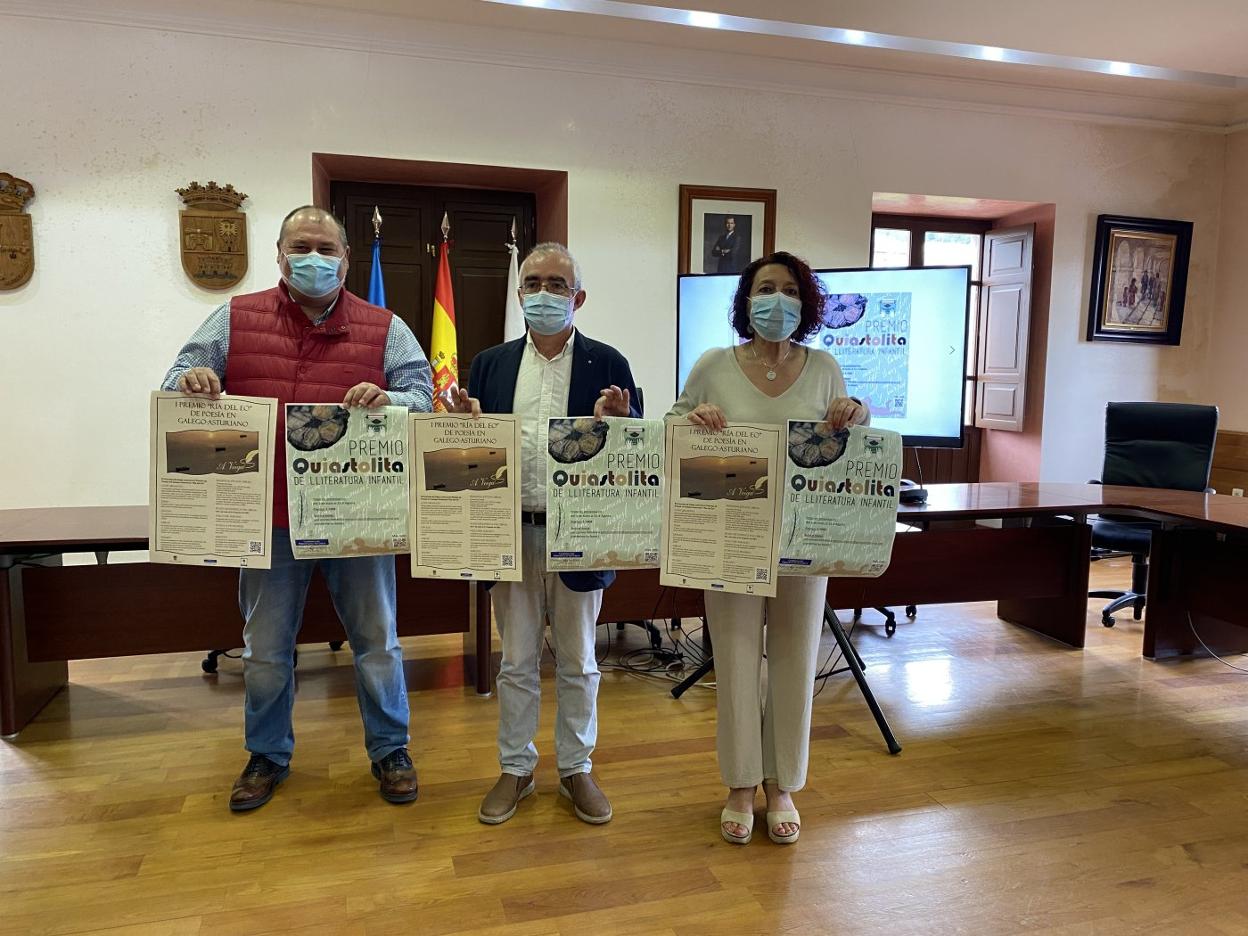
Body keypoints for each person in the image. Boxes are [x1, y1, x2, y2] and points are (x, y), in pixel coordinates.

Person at [161, 206, 433, 812]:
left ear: (345, 257)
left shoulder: (384, 326)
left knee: (378, 642)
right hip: (270, 517)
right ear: (280, 254)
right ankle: (267, 754)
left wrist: (388, 399)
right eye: (301, 246)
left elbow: (424, 398)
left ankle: (391, 749)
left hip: (356, 513)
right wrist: (197, 377)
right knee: (264, 648)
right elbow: (179, 373)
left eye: (326, 247)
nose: (314, 257)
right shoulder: (234, 316)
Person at [667, 250, 868, 846]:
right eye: (763, 289)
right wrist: (693, 418)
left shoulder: (825, 365)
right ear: (745, 300)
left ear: (803, 304)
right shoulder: (713, 364)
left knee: (794, 657)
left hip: (804, 540)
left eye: (787, 290)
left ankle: (781, 785)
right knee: (732, 659)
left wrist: (856, 412)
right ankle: (739, 784)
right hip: (729, 534)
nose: (774, 300)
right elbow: (671, 431)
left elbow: (848, 434)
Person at [442, 242, 639, 826]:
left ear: (578, 298)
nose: (546, 293)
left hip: (579, 533)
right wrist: (462, 428)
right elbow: (475, 447)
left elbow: (635, 450)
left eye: (558, 284)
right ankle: (517, 768)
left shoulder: (609, 363)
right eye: (535, 283)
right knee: (517, 659)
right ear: (519, 292)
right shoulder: (491, 363)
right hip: (512, 532)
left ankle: (576, 768)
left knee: (579, 661)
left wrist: (622, 423)